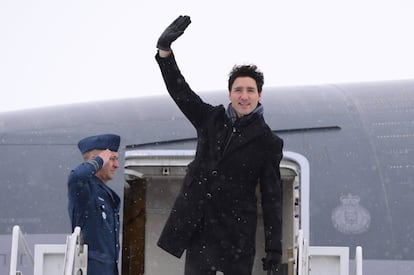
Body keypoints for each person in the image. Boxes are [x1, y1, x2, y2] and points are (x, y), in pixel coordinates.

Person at [155, 15, 284, 275]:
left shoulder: (268, 142)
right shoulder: (210, 119)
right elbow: (181, 92)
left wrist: (274, 250)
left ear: (259, 95)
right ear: (230, 93)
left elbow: (271, 199)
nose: (244, 96)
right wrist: (165, 53)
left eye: (250, 90)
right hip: (200, 230)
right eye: (238, 90)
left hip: (236, 236)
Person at [67, 134, 121, 275]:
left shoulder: (104, 194)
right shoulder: (85, 190)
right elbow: (76, 177)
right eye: (112, 159)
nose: (117, 165)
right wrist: (100, 160)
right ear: (96, 161)